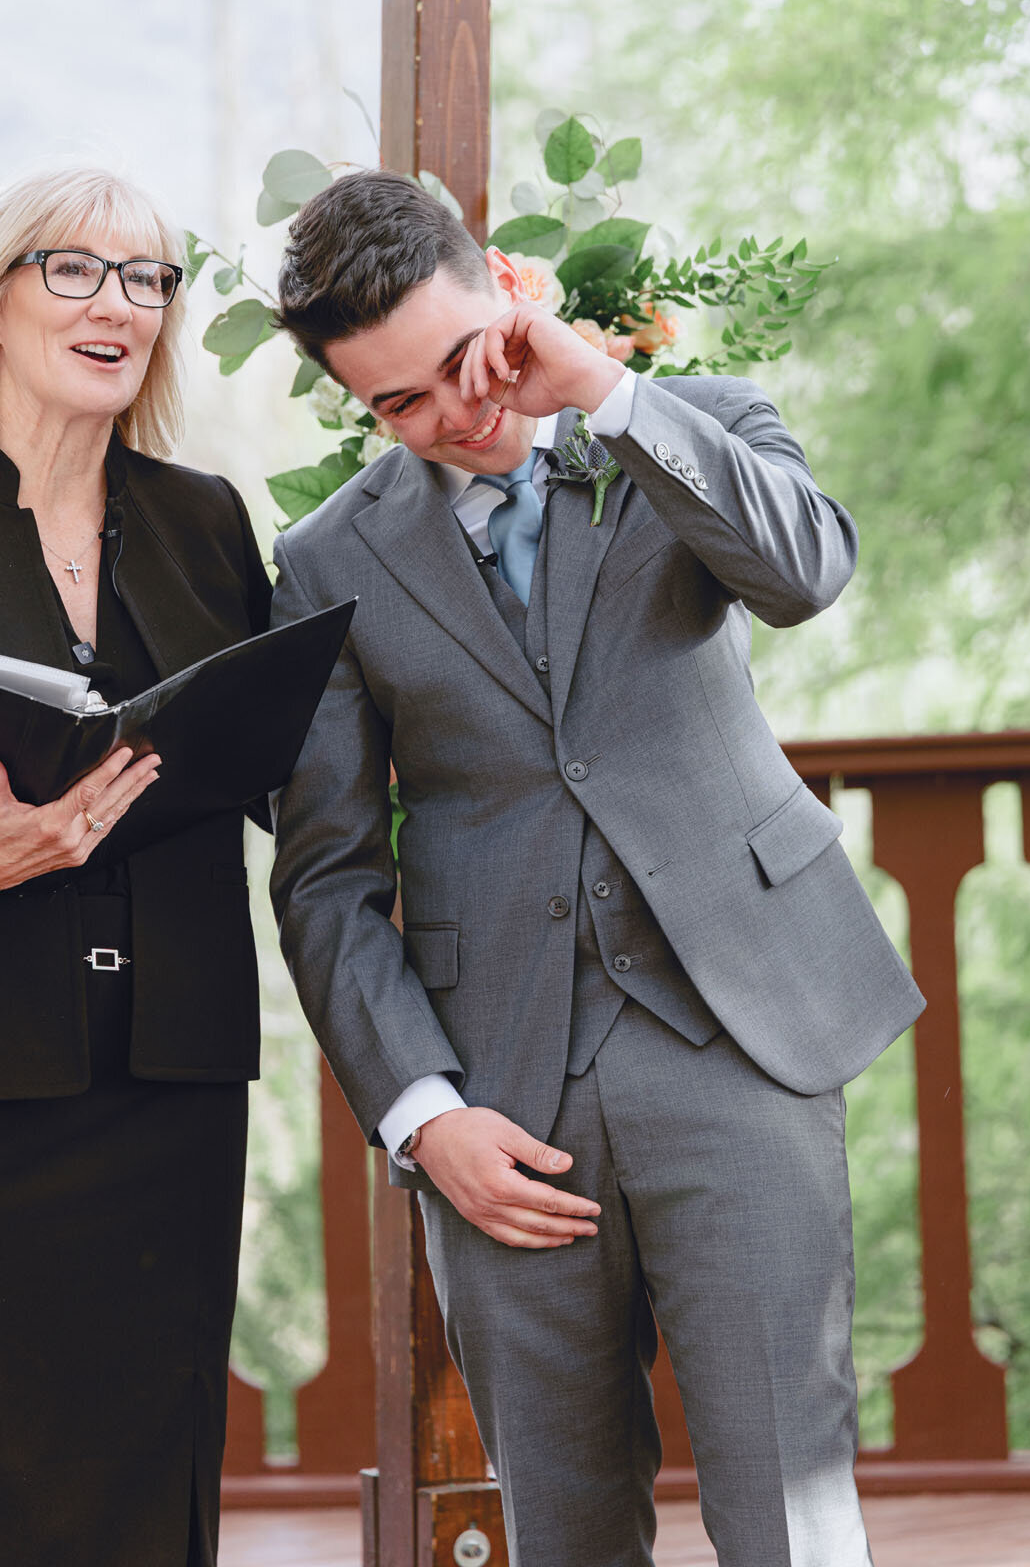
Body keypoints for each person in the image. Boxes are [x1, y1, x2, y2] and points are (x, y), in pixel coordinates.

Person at [269, 169, 925, 1567]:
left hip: (738, 1038)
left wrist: (608, 399)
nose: (454, 415)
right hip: (498, 1095)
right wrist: (422, 1114)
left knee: (793, 1511)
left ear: (504, 289)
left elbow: (806, 573)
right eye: (397, 405)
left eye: (461, 363)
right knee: (561, 1527)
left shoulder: (697, 426)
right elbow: (323, 876)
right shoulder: (327, 560)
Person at [0, 167, 271, 1567]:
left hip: (174, 1069)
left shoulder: (205, 520)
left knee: (151, 1468)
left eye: (149, 278)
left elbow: (297, 768)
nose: (118, 304)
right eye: (74, 269)